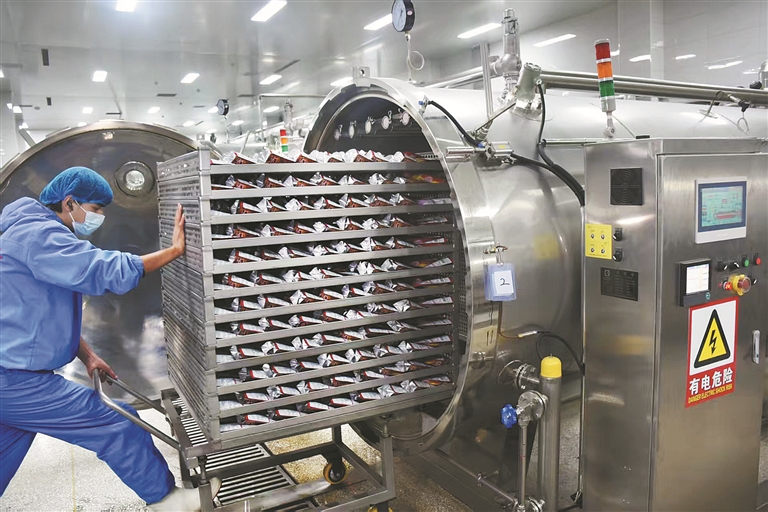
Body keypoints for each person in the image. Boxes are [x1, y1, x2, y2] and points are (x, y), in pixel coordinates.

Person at [0, 167, 219, 511]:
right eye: (95, 209)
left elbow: (42, 316)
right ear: (69, 203)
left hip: (11, 375)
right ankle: (168, 501)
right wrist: (174, 251)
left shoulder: (24, 231)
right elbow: (102, 269)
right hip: (14, 381)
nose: (99, 217)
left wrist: (87, 356)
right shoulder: (38, 236)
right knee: (116, 422)